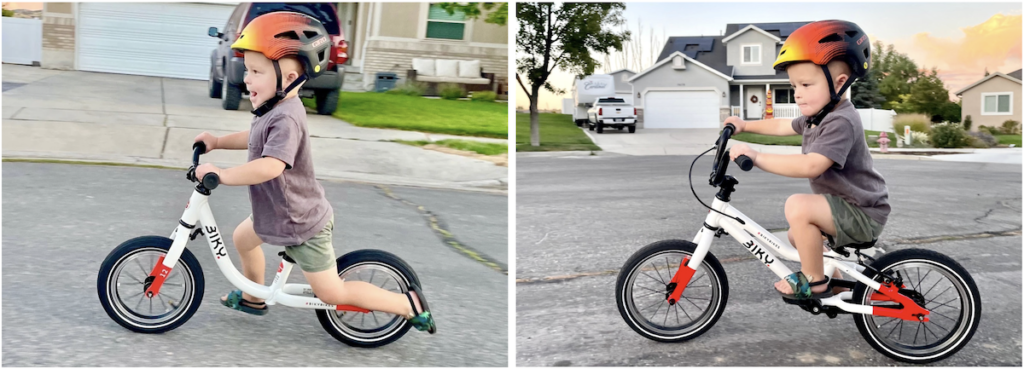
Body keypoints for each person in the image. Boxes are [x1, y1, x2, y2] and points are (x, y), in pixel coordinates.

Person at [193, 12, 435, 333]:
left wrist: (222, 175)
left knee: (332, 292)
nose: (246, 79)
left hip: (300, 222)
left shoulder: (287, 117)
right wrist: (217, 142)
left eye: (255, 71)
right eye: (248, 70)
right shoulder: (270, 108)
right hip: (276, 212)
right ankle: (253, 297)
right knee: (242, 239)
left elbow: (270, 166)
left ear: (290, 78)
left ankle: (407, 305)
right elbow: (253, 139)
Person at [723, 20, 889, 300]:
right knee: (795, 236)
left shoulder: (840, 121)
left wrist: (757, 156)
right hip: (846, 209)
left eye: (806, 84)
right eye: (793, 85)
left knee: (797, 205)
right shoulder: (817, 117)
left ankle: (814, 281)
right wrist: (744, 126)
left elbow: (812, 165)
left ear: (839, 83)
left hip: (862, 213)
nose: (797, 92)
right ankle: (834, 283)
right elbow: (781, 126)